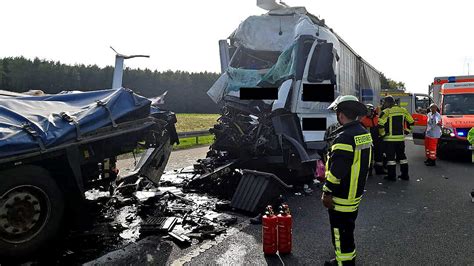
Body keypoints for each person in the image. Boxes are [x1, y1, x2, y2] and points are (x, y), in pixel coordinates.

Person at [322, 95, 372, 266]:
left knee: (340, 233)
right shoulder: (364, 133)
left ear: (341, 115)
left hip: (341, 196)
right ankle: (347, 259)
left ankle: (343, 263)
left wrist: (327, 192)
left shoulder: (344, 137)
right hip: (355, 193)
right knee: (347, 231)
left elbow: (337, 172)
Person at [378, 95, 414, 181]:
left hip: (389, 140)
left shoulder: (386, 112)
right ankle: (405, 175)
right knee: (402, 158)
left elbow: (380, 124)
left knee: (391, 159)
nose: (384, 104)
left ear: (387, 102)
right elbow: (411, 122)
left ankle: (391, 176)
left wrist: (382, 134)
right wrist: (407, 131)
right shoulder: (403, 110)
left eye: (384, 102)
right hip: (400, 139)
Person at [360, 104, 384, 176]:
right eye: (366, 111)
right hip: (366, 140)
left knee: (379, 156)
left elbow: (382, 127)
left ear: (372, 111)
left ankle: (379, 170)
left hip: (377, 139)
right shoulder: (362, 120)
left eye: (369, 111)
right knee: (367, 156)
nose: (367, 112)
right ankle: (368, 171)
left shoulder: (378, 118)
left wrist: (382, 136)